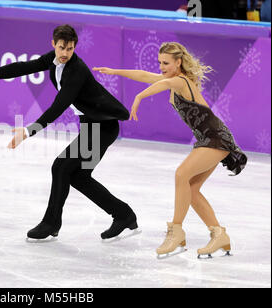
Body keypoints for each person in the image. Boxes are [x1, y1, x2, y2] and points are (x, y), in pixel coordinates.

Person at [0, 25, 138, 240]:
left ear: (75, 47)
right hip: (93, 125)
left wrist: (28, 132)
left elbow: (59, 106)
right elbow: (22, 67)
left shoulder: (77, 71)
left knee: (61, 167)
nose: (65, 53)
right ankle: (123, 215)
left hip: (103, 126)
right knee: (79, 177)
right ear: (53, 44)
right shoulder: (53, 59)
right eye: (61, 47)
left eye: (70, 49)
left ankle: (51, 223)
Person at [94, 42, 247, 258]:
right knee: (191, 190)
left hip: (215, 138)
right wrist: (115, 72)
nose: (161, 67)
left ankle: (176, 232)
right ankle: (219, 235)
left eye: (166, 63)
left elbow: (159, 85)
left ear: (178, 62)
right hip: (210, 138)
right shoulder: (172, 79)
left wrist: (139, 97)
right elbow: (145, 75)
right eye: (160, 62)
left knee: (181, 174)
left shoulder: (180, 80)